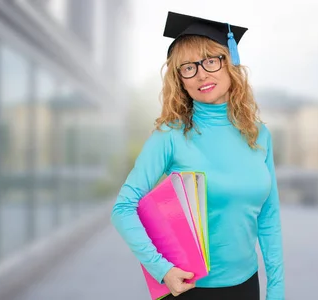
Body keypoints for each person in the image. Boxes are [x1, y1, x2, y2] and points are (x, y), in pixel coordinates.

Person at [110, 11, 285, 300]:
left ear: (229, 63)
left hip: (247, 286)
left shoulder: (258, 134)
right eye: (188, 68)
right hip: (190, 289)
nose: (202, 73)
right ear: (180, 80)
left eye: (210, 61)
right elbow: (123, 208)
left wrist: (276, 290)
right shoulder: (171, 135)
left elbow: (269, 216)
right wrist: (162, 269)